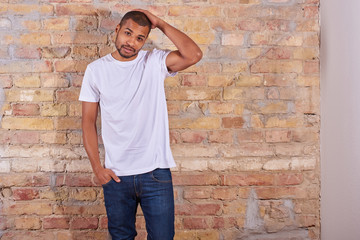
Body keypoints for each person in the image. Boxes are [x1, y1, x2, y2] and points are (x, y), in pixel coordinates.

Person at [79, 9, 202, 240]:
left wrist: (161, 23)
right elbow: (87, 122)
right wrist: (97, 168)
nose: (131, 42)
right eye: (127, 33)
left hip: (155, 172)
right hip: (116, 176)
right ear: (117, 30)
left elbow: (193, 54)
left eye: (139, 38)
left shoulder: (153, 61)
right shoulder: (96, 70)